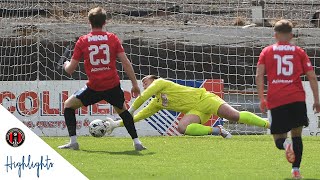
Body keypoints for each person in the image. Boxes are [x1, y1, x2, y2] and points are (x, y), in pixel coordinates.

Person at [58, 7, 146, 151]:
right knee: (123, 111)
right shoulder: (112, 38)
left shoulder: (83, 41)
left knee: (68, 106)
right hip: (112, 85)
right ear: (105, 22)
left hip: (94, 87)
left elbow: (70, 70)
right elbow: (126, 63)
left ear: (89, 22)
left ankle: (73, 142)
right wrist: (135, 84)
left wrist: (65, 64)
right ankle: (137, 143)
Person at [105, 75, 270, 138]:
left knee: (234, 116)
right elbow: (140, 116)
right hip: (196, 111)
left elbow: (143, 97)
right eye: (143, 84)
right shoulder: (157, 102)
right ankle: (217, 131)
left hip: (205, 98)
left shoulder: (161, 83)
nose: (144, 85)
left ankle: (268, 124)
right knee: (182, 127)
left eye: (145, 82)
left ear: (154, 80)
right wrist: (117, 124)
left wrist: (129, 109)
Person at [256, 19, 320, 179]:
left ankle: (286, 145)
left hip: (277, 99)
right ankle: (296, 171)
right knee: (297, 135)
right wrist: (317, 100)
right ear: (291, 35)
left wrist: (262, 98)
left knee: (279, 138)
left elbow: (259, 75)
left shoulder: (267, 52)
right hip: (297, 98)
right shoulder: (299, 52)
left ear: (275, 35)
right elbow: (312, 77)